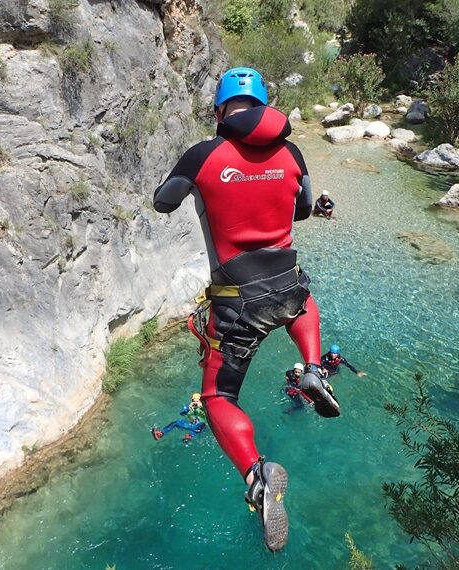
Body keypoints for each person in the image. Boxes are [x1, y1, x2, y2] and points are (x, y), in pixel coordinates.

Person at [153, 66, 339, 552]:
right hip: (286, 283)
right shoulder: (293, 151)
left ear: (219, 110)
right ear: (265, 103)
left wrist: (199, 179)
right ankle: (314, 368)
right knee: (303, 302)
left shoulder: (204, 154)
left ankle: (257, 475)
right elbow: (301, 211)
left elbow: (162, 203)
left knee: (217, 398)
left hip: (238, 301)